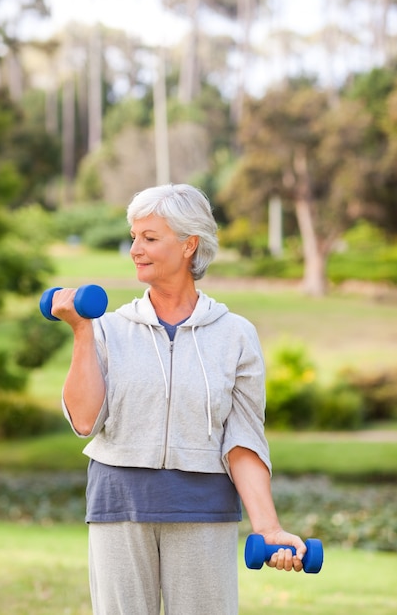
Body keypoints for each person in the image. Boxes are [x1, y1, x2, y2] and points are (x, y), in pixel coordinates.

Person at [52, 183, 306, 615]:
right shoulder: (109, 328)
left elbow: (243, 441)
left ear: (190, 245)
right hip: (120, 509)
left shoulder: (235, 335)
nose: (135, 248)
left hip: (203, 511)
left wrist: (269, 527)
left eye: (150, 237)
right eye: (134, 236)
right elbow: (83, 420)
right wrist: (81, 332)